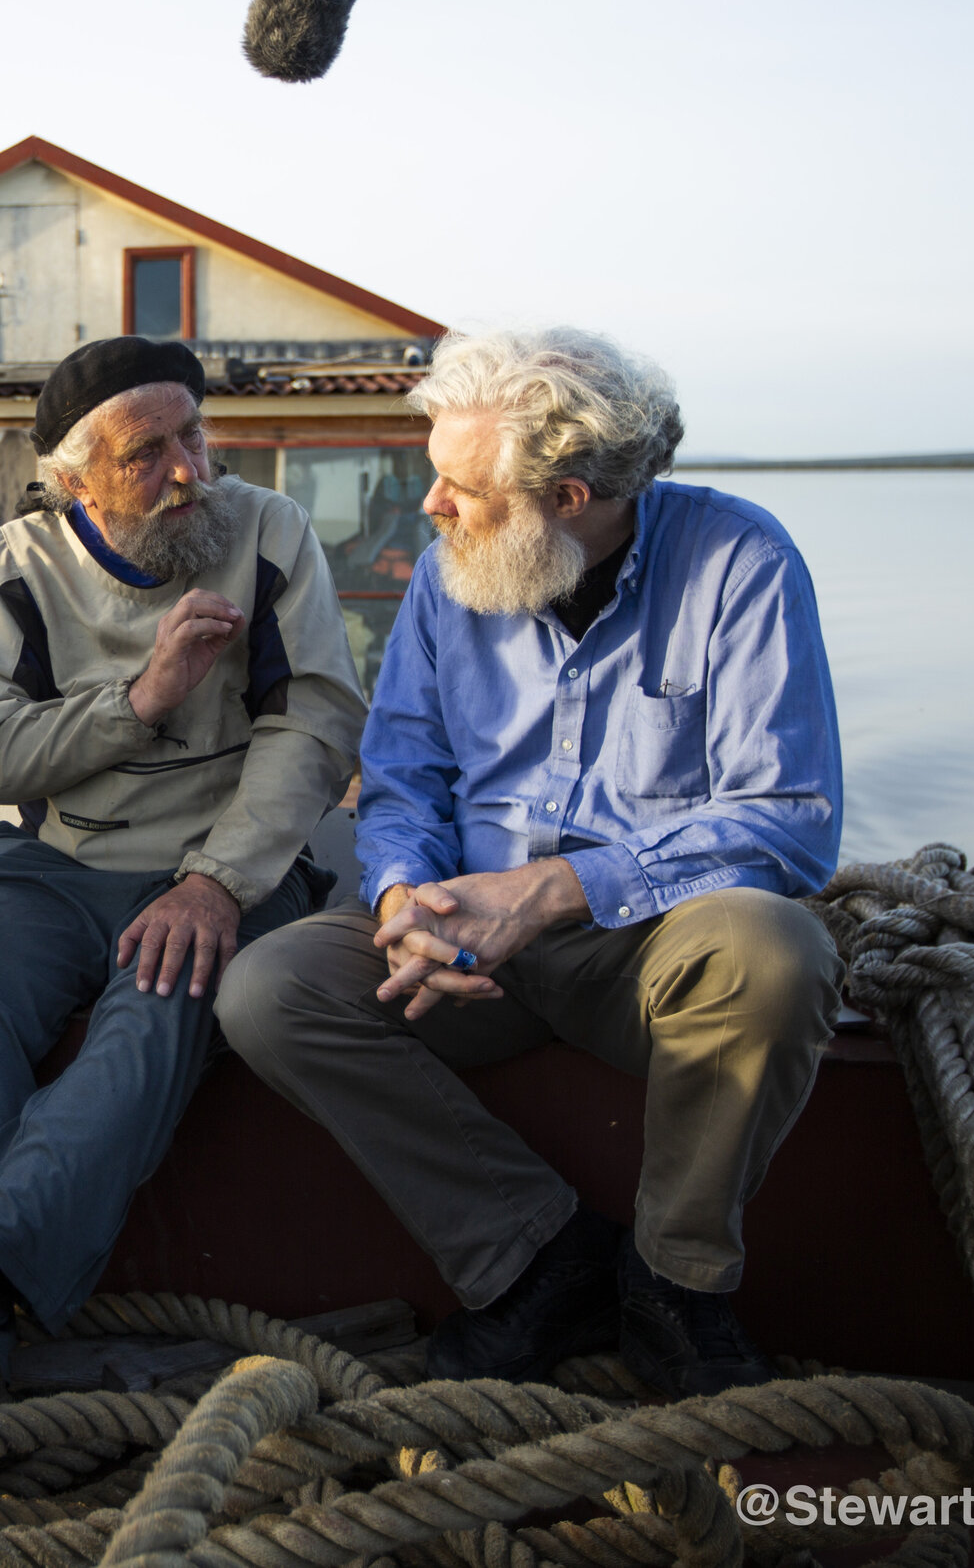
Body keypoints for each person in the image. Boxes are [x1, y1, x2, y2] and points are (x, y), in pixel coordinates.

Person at [215, 327, 843, 1398]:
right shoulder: (445, 581)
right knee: (269, 988)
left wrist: (557, 888)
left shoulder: (740, 562)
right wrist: (406, 897)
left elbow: (788, 815)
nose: (432, 508)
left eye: (463, 487)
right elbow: (404, 773)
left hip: (645, 946)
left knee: (780, 954)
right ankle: (537, 1253)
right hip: (466, 943)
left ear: (571, 495)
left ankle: (675, 1280)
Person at [0, 337, 366, 1428]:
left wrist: (216, 881)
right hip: (58, 860)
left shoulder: (268, 534)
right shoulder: (18, 564)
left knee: (159, 1000)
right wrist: (144, 694)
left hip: (225, 859)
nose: (190, 471)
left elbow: (312, 724)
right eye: (148, 453)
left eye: (196, 435)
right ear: (73, 480)